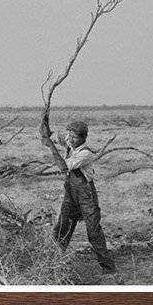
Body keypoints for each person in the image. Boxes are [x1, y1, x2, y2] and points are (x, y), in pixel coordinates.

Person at [53, 119, 119, 279]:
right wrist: (46, 130)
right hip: (71, 194)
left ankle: (109, 269)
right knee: (63, 227)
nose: (70, 139)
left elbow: (63, 166)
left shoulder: (85, 154)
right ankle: (51, 261)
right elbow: (56, 137)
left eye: (74, 137)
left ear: (83, 138)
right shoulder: (71, 145)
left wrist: (50, 147)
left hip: (86, 195)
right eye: (69, 135)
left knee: (93, 232)